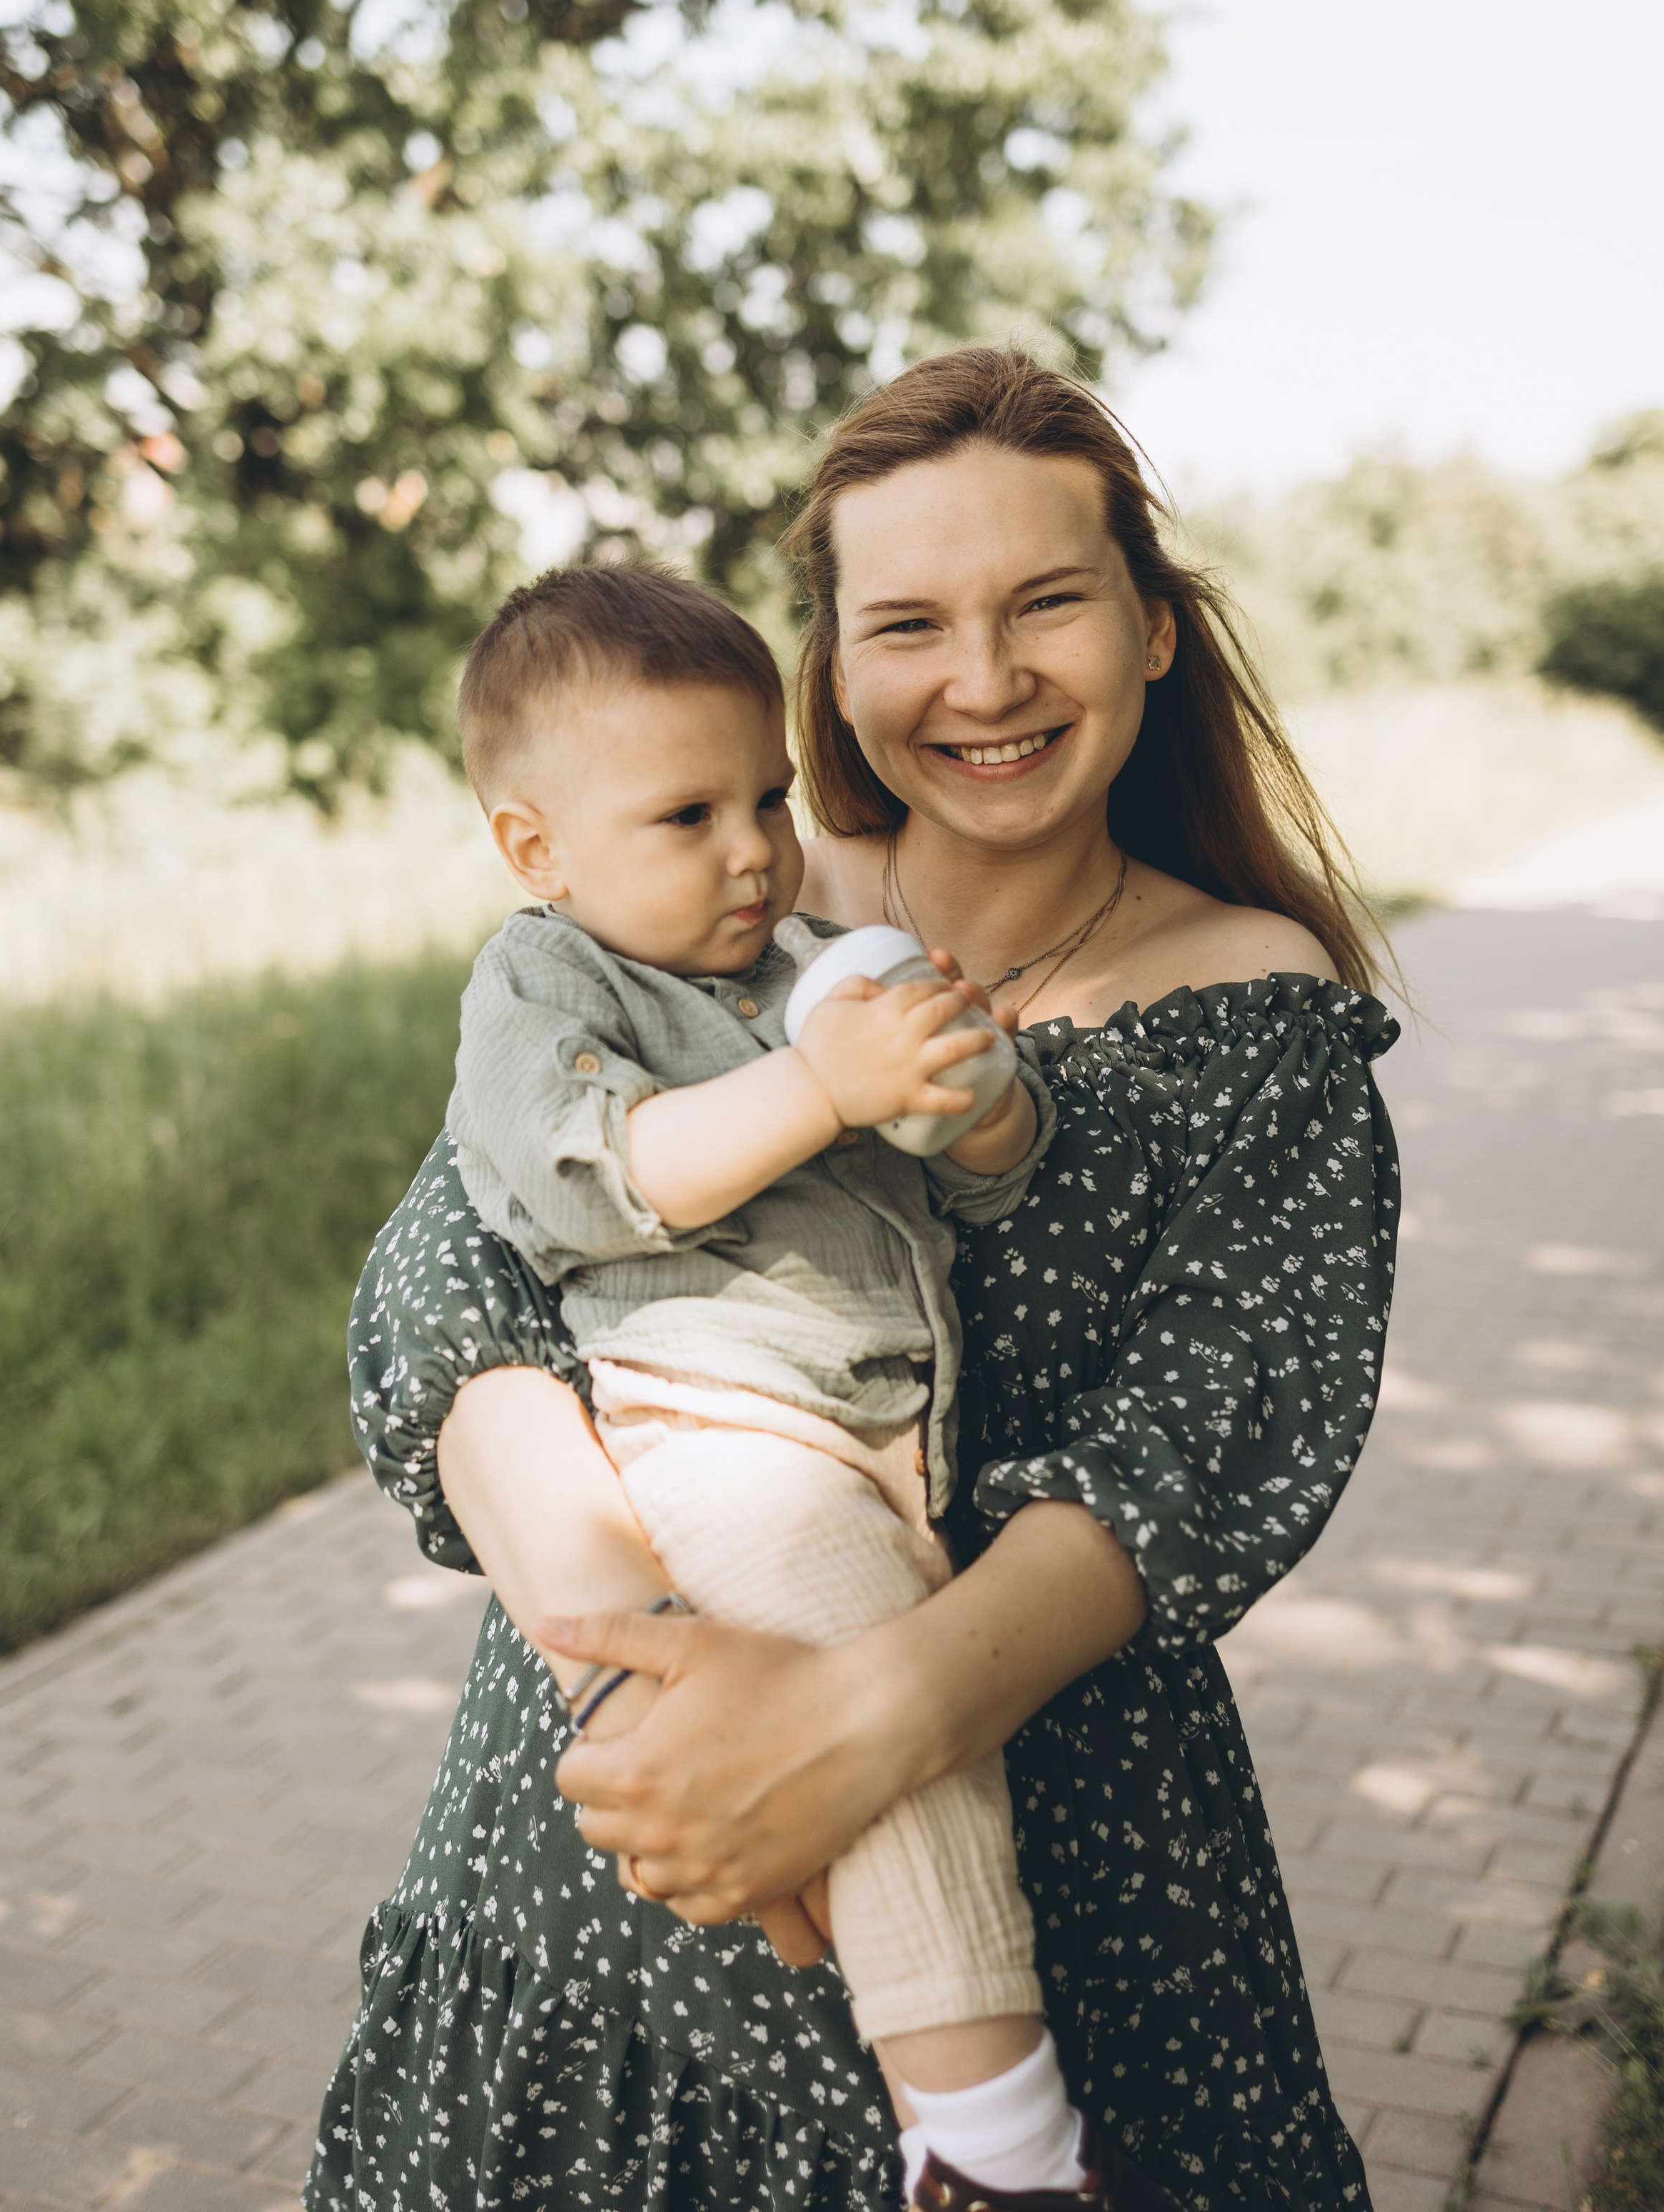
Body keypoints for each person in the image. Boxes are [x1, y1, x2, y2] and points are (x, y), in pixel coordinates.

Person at [307, 346, 1401, 2212]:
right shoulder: (711, 916)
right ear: (836, 662)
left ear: (1151, 626)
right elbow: (450, 1292)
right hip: (617, 1850)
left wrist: (858, 1727)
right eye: (908, 623)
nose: (980, 682)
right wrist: (645, 1697)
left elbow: (1195, 1449)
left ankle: (987, 2145)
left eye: (1047, 601)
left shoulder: (1257, 1001)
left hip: (1060, 1881)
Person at [444, 558, 1115, 2204]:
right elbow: (597, 1170)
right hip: (719, 1438)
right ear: (538, 847)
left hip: (879, 1451)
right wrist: (822, 1085)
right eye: (686, 817)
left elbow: (985, 1181)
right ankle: (997, 2151)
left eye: (767, 797)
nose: (752, 850)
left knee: (905, 1749)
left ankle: (957, 2128)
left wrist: (975, 1097)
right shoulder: (553, 983)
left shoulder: (818, 955)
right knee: (891, 1714)